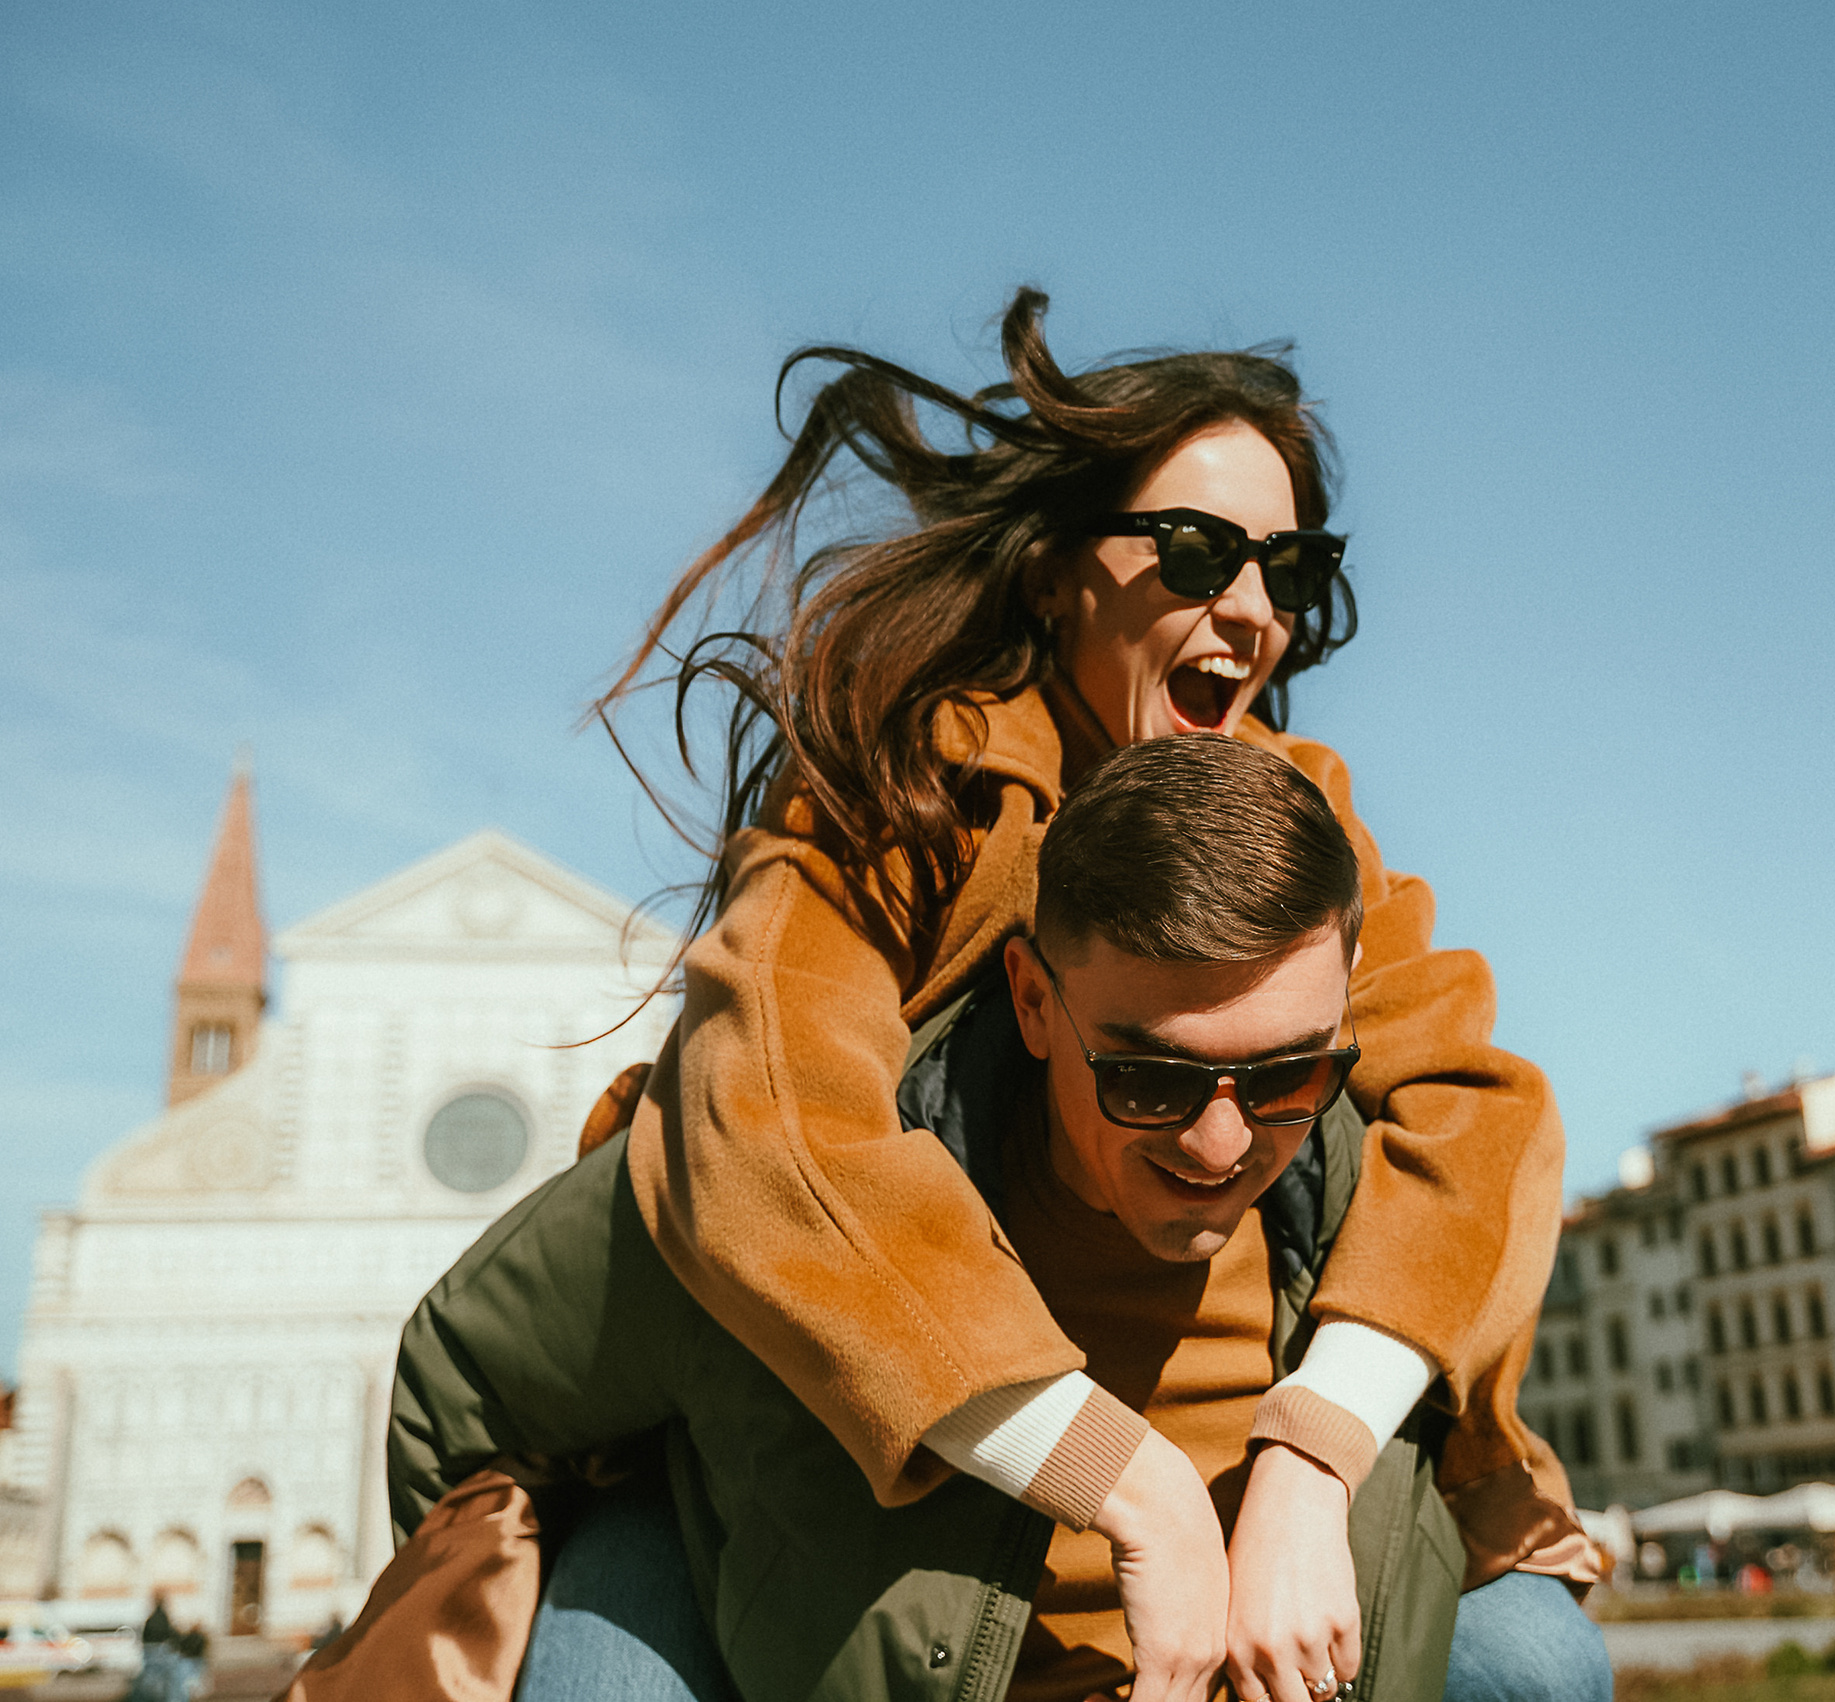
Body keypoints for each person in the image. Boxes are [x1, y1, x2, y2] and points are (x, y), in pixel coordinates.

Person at [573, 296, 1585, 1664]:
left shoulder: (1310, 823)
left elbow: (1486, 1114)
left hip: (1226, 1509)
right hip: (821, 1486)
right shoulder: (902, 796)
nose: (1248, 609)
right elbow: (768, 1121)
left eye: (1287, 569)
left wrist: (1313, 1453)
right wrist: (1131, 1481)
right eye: (1194, 551)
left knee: (1540, 1660)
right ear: (1056, 576)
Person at [295, 737, 1610, 1702]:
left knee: (1538, 1662)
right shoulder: (795, 1181)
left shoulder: (1377, 1165)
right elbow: (462, 1377)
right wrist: (637, 1550)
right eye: (1149, 1076)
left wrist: (1319, 1452)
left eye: (1286, 1075)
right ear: (1033, 1001)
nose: (1220, 1142)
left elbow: (1497, 1140)